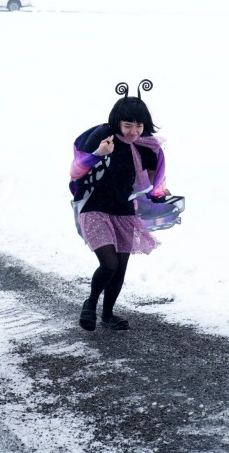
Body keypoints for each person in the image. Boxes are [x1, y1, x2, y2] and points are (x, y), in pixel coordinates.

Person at [69, 80, 173, 333]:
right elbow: (76, 171)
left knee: (120, 268)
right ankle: (90, 305)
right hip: (94, 208)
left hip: (125, 212)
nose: (134, 131)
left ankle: (108, 314)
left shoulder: (147, 146)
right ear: (117, 122)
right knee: (109, 264)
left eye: (139, 125)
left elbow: (152, 178)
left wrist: (159, 192)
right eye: (128, 125)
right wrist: (99, 153)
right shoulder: (102, 136)